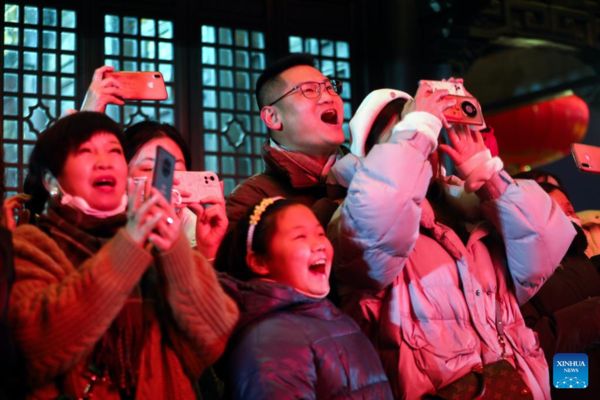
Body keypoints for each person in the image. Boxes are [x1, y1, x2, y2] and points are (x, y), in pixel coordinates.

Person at [327, 85, 575, 399]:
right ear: (372, 153)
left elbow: (544, 248)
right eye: (406, 134)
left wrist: (486, 173)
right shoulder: (352, 216)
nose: (424, 143)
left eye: (430, 131)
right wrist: (416, 132)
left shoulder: (472, 212)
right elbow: (380, 217)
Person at [9, 112, 239, 399]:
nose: (104, 161)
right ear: (51, 180)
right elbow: (35, 345)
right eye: (86, 152)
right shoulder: (30, 245)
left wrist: (175, 252)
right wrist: (130, 245)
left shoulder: (163, 249)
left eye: (114, 151)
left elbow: (213, 341)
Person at [216, 197, 393, 399]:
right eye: (300, 236)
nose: (319, 244)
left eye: (320, 233)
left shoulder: (328, 316)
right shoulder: (272, 341)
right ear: (259, 262)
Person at [225, 53, 347, 231]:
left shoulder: (368, 173)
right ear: (272, 117)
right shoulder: (251, 199)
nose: (328, 97)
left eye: (330, 87)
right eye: (309, 90)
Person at [519, 182, 600, 400]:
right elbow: (534, 342)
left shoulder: (577, 256)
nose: (570, 212)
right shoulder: (521, 266)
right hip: (563, 379)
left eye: (570, 207)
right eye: (560, 207)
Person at [125, 121, 228, 260]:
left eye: (177, 170)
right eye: (149, 169)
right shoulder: (103, 223)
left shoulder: (192, 225)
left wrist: (209, 251)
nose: (165, 181)